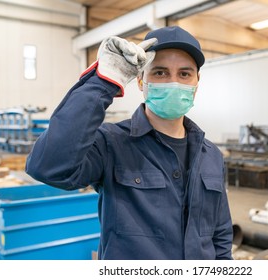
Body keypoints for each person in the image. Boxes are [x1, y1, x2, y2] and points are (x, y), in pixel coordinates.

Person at [26, 26, 233, 260]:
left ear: (196, 84)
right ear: (141, 81)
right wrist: (103, 82)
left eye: (184, 74)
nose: (173, 83)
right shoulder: (111, 143)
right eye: (160, 73)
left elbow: (220, 234)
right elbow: (46, 167)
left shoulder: (211, 155)